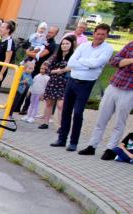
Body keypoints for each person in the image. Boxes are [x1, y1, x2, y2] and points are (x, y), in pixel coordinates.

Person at [50, 23, 114, 151]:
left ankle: (73, 142)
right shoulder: (84, 46)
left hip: (86, 83)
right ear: (94, 33)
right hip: (72, 81)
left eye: (103, 34)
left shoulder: (108, 48)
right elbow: (71, 62)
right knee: (66, 111)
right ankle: (62, 139)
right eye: (98, 33)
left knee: (78, 113)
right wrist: (87, 65)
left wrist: (80, 63)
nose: (100, 36)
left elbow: (97, 63)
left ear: (106, 35)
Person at [77, 41, 133, 159]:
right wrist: (130, 60)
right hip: (113, 86)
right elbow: (114, 61)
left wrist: (124, 63)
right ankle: (92, 146)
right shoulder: (131, 45)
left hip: (129, 91)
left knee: (119, 122)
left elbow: (120, 63)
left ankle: (110, 149)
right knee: (101, 118)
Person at [38, 35, 76, 129]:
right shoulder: (55, 57)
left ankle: (61, 126)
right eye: (63, 44)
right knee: (49, 103)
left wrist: (62, 70)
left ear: (71, 45)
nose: (64, 45)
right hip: (53, 83)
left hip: (65, 84)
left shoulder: (73, 57)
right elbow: (47, 69)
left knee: (60, 106)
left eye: (67, 44)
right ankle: (45, 122)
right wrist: (56, 71)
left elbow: (74, 68)